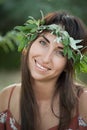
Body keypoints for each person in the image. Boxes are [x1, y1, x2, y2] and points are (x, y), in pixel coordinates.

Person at [0, 10, 87, 130]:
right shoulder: (6, 99)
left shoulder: (84, 103)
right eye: (43, 43)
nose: (46, 59)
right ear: (29, 43)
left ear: (69, 64)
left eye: (60, 52)